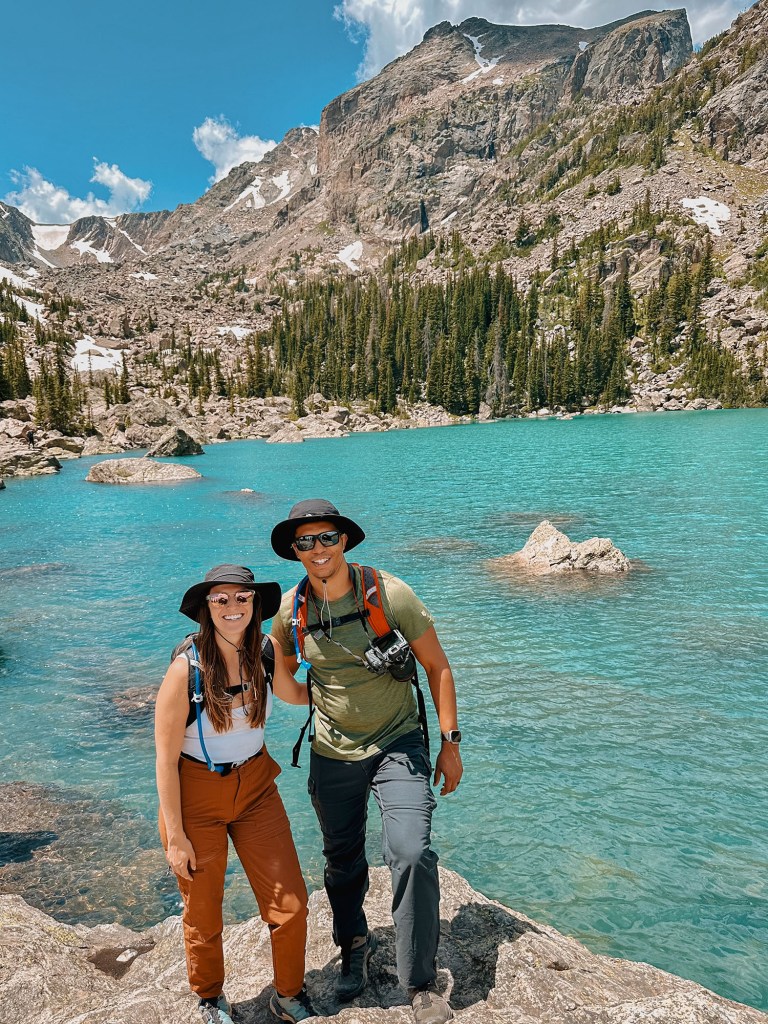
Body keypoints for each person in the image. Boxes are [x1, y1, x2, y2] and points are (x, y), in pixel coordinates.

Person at [270, 500, 463, 1024]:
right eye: (305, 542)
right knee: (342, 860)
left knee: (411, 850)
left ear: (345, 541)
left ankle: (420, 983)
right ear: (294, 551)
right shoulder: (292, 612)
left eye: (327, 538)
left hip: (398, 742)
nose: (318, 549)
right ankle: (353, 944)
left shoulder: (389, 593)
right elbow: (289, 682)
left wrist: (450, 742)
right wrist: (277, 676)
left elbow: (438, 668)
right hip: (332, 751)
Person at [155, 564, 317, 1024]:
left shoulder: (265, 651)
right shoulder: (184, 671)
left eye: (241, 598)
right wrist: (176, 837)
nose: (232, 607)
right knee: (204, 913)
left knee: (291, 903)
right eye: (221, 599)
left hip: (256, 792)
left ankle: (289, 996)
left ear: (255, 605)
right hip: (195, 800)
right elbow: (164, 761)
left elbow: (293, 693)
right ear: (206, 608)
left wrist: (348, 686)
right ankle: (209, 998)